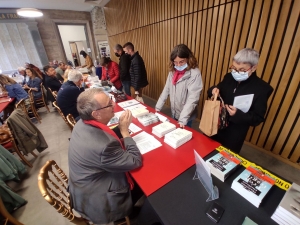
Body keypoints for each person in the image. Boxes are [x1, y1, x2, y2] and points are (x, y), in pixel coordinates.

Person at [68, 89, 143, 224]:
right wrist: (125, 132)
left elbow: (104, 135)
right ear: (96, 114)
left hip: (82, 186)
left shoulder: (81, 122)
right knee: (143, 182)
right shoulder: (104, 147)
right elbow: (135, 161)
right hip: (98, 198)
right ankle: (125, 212)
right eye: (109, 104)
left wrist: (120, 128)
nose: (114, 105)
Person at [207, 48, 273, 154]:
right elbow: (217, 92)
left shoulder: (262, 88)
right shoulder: (228, 77)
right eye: (234, 68)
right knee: (206, 151)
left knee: (225, 159)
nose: (236, 72)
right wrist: (212, 90)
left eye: (242, 70)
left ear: (253, 68)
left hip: (234, 133)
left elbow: (258, 118)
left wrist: (237, 114)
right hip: (215, 124)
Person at [155, 44, 203, 128]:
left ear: (188, 59)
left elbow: (193, 98)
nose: (179, 65)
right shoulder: (172, 71)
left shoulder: (194, 73)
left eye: (182, 62)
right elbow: (166, 89)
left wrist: (182, 119)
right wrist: (157, 108)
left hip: (186, 115)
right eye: (175, 62)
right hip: (174, 111)